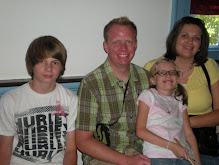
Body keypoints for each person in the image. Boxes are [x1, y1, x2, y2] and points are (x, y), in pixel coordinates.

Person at [144, 16, 219, 164]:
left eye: (196, 38)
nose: (190, 42)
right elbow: (143, 112)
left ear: (201, 43)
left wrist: (184, 124)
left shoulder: (209, 66)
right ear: (174, 39)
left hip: (203, 142)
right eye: (184, 35)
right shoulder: (154, 67)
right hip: (162, 144)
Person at [76, 16, 151, 165]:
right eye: (116, 42)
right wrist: (127, 161)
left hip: (143, 153)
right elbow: (83, 141)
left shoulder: (147, 78)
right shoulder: (91, 84)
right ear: (106, 46)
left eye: (128, 42)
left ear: (135, 45)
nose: (123, 48)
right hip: (103, 157)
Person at [0, 36, 78, 165]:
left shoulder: (70, 100)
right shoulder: (10, 100)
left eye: (55, 62)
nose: (49, 68)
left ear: (61, 67)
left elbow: (70, 149)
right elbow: (5, 149)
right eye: (42, 61)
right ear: (32, 64)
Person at [136, 58, 201, 165]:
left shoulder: (179, 100)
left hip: (184, 156)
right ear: (153, 80)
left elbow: (189, 134)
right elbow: (140, 131)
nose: (168, 75)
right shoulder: (148, 95)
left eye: (172, 72)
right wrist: (172, 146)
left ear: (178, 78)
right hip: (157, 155)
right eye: (162, 73)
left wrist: (197, 162)